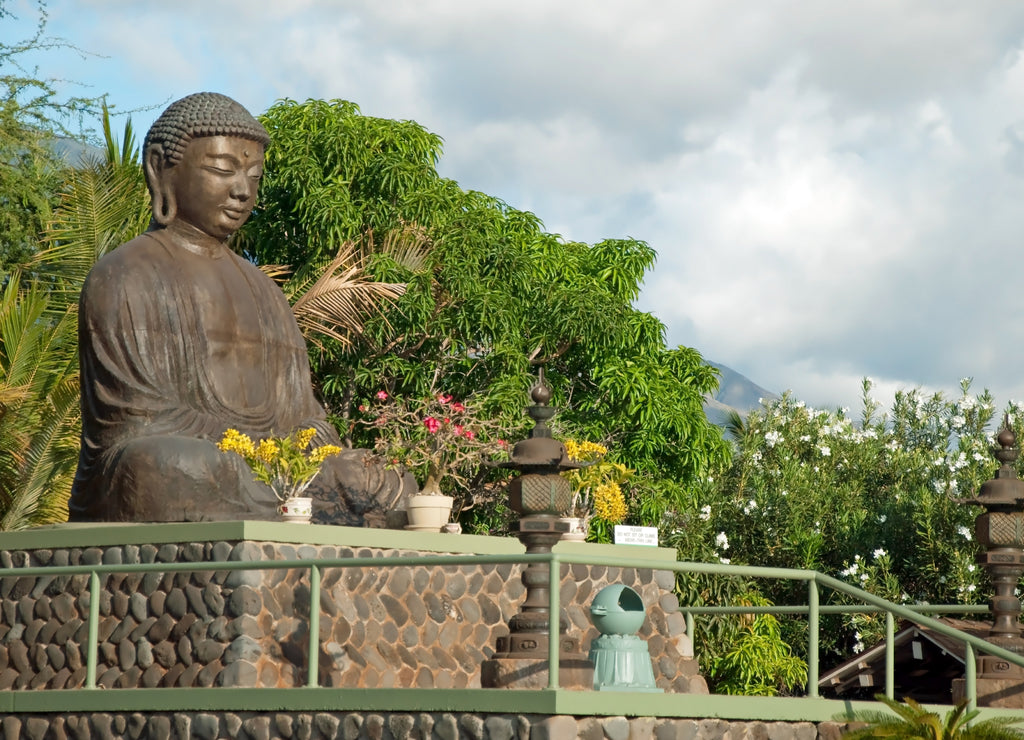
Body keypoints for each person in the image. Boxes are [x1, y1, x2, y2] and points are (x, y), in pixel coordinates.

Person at [69, 92, 409, 523]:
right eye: (221, 169)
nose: (242, 190)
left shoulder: (265, 290)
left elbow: (305, 416)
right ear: (160, 168)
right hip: (189, 465)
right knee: (165, 464)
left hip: (269, 470)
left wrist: (308, 455)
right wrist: (247, 452)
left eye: (254, 175)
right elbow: (136, 416)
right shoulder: (125, 274)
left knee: (377, 479)